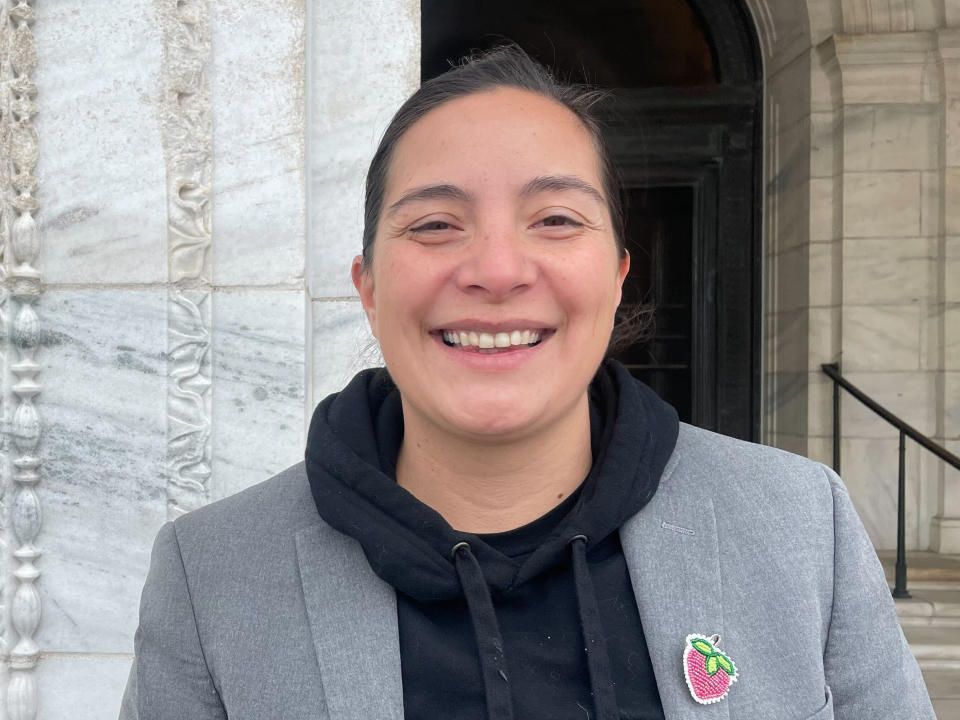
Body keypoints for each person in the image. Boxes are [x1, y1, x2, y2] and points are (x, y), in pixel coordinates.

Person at [120, 46, 934, 720]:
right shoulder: (213, 574)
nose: (499, 271)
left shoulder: (798, 525)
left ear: (617, 277)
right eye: (436, 224)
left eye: (555, 219)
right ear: (369, 287)